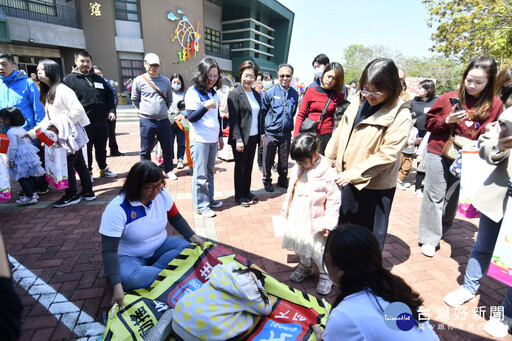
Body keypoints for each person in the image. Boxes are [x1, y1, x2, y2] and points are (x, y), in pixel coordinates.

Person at [418, 57, 503, 257]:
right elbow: (428, 124)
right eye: (469, 80)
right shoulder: (448, 97)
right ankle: (429, 238)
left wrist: (489, 132)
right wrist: (447, 120)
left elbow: (494, 134)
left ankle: (442, 228)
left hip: (469, 157)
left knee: (452, 197)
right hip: (439, 150)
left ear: (489, 82)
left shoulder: (495, 104)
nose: (472, 85)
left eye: (479, 82)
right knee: (434, 194)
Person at [325, 58, 412, 249]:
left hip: (374, 186)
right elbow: (341, 131)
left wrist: (353, 174)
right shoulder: (357, 101)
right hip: (347, 178)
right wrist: (328, 158)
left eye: (376, 91)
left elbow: (388, 154)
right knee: (345, 230)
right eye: (365, 89)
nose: (370, 95)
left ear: (391, 87)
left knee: (367, 239)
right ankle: (343, 272)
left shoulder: (400, 114)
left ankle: (366, 276)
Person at [99, 161, 205, 308]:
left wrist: (193, 236)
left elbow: (175, 218)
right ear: (136, 186)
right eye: (149, 187)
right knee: (128, 278)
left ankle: (154, 274)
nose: (155, 191)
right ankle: (170, 274)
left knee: (189, 247)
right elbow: (109, 251)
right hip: (128, 257)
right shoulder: (117, 209)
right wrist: (116, 285)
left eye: (159, 184)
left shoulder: (162, 195)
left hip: (159, 246)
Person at [443, 117, 512, 338]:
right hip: (499, 196)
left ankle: (506, 313)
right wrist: (499, 147)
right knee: (482, 246)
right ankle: (469, 287)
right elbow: (485, 144)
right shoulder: (509, 115)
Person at [312, 225, 439, 340]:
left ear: (340, 269)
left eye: (327, 254)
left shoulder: (344, 315)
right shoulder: (393, 288)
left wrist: (322, 336)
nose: (325, 258)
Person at [27, 59, 93, 207]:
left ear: (51, 71)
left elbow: (78, 111)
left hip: (68, 135)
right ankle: (88, 191)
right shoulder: (50, 91)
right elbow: (48, 118)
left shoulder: (63, 90)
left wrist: (57, 124)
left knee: (68, 165)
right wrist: (33, 133)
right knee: (79, 164)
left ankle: (71, 195)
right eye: (38, 69)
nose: (38, 72)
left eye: (42, 70)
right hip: (66, 134)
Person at [281, 133, 340, 295]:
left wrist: (329, 224)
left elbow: (334, 200)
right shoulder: (298, 167)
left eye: (302, 161)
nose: (299, 164)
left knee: (317, 248)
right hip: (297, 214)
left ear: (314, 155)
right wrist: (286, 209)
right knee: (299, 242)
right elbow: (291, 190)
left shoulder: (327, 173)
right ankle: (305, 266)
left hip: (314, 219)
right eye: (297, 161)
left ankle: (325, 274)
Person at [171, 263, 271, 340]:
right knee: (247, 315)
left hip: (176, 320)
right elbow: (266, 310)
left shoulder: (221, 273)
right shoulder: (248, 294)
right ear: (257, 285)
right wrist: (261, 290)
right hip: (199, 337)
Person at [64, 50, 117, 180]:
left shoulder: (99, 79)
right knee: (86, 150)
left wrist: (111, 110)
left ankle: (103, 168)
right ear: (76, 62)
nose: (85, 64)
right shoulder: (69, 80)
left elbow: (109, 96)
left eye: (88, 61)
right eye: (82, 61)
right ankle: (87, 171)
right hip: (82, 123)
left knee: (101, 148)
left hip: (101, 121)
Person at [0, 53, 48, 194]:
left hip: (27, 131)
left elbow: (37, 108)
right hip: (7, 132)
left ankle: (41, 185)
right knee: (18, 161)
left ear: (13, 66)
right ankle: (29, 187)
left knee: (33, 160)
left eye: (4, 64)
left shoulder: (27, 83)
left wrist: (38, 131)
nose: (0, 67)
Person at [184, 57, 224, 217]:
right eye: (210, 75)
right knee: (200, 175)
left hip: (212, 139)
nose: (213, 79)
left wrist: (220, 135)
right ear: (202, 74)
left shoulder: (213, 93)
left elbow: (216, 118)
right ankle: (200, 205)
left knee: (209, 172)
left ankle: (209, 199)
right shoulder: (192, 92)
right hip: (199, 140)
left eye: (216, 76)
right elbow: (191, 117)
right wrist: (205, 107)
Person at [131, 53, 176, 180]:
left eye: (156, 65)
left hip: (164, 121)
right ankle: (146, 172)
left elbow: (170, 99)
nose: (153, 68)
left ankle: (169, 170)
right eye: (151, 65)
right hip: (147, 121)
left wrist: (161, 110)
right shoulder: (139, 80)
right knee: (145, 149)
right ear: (145, 64)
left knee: (168, 147)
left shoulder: (166, 81)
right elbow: (135, 99)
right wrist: (147, 110)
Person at [227, 61, 262, 207]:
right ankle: (239, 195)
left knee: (248, 166)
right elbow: (234, 120)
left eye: (252, 76)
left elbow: (260, 116)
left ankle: (246, 191)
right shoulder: (234, 93)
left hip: (253, 136)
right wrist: (238, 139)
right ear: (240, 75)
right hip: (241, 138)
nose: (249, 79)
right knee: (240, 167)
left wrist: (261, 136)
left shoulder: (256, 94)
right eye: (246, 75)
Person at [261, 63, 299, 192]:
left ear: (291, 77)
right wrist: (263, 131)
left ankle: (283, 180)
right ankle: (267, 180)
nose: (285, 78)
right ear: (278, 76)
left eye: (288, 76)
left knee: (284, 161)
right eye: (282, 75)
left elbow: (293, 112)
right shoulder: (270, 92)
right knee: (268, 159)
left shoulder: (294, 93)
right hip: (271, 132)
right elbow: (263, 112)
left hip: (286, 133)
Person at [293, 62, 345, 154]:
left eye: (334, 78)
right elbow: (301, 114)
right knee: (304, 162)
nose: (330, 80)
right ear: (323, 74)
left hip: (326, 136)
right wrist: (296, 137)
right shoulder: (311, 91)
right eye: (328, 76)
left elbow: (340, 120)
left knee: (320, 164)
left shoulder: (339, 96)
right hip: (308, 134)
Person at [0, 107, 44, 205]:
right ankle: (33, 193)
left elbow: (13, 147)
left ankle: (29, 196)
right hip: (27, 156)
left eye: (2, 119)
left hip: (19, 157)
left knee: (22, 178)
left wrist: (11, 160)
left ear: (8, 120)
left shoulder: (11, 132)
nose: (1, 121)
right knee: (29, 176)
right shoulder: (21, 129)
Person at [92, 65, 123, 157]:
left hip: (109, 113)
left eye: (99, 73)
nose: (98, 75)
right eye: (96, 73)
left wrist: (112, 110)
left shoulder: (107, 83)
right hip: (98, 115)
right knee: (101, 136)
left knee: (112, 133)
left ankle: (114, 150)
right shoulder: (90, 83)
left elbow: (114, 96)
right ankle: (102, 152)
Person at [168, 73, 187, 170]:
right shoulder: (167, 92)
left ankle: (180, 160)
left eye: (178, 82)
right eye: (174, 82)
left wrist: (181, 115)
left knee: (181, 142)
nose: (176, 84)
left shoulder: (185, 93)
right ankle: (169, 160)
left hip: (181, 121)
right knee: (169, 142)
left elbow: (188, 107)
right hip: (169, 121)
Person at [257, 72, 274, 171]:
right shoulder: (259, 93)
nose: (268, 81)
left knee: (271, 145)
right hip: (261, 121)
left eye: (269, 79)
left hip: (271, 122)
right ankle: (260, 163)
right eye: (265, 79)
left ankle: (271, 163)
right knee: (261, 145)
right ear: (261, 81)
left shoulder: (274, 92)